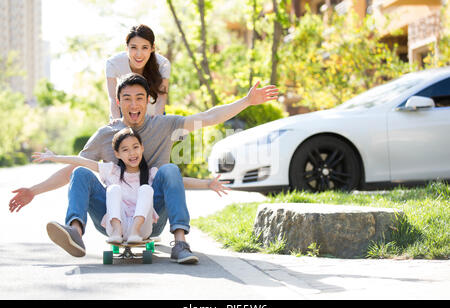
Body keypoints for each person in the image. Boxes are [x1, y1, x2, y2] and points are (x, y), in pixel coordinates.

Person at [9, 73, 279, 264]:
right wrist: (34, 191)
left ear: (148, 101)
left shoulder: (164, 125)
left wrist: (245, 101)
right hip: (112, 216)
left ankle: (180, 242)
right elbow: (72, 169)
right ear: (118, 103)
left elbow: (207, 117)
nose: (134, 104)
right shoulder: (105, 134)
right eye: (127, 98)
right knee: (81, 172)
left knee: (169, 170)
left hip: (151, 214)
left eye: (140, 97)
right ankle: (75, 235)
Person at [32, 128, 229, 248]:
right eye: (125, 150)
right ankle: (75, 231)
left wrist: (207, 184)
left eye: (135, 147)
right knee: (96, 181)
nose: (132, 153)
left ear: (142, 148)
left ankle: (139, 232)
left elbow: (177, 182)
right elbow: (81, 161)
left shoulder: (151, 174)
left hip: (142, 228)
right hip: (113, 226)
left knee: (146, 190)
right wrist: (54, 157)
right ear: (117, 154)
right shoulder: (112, 171)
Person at [106, 24, 170, 119]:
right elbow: (113, 99)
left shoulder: (163, 64)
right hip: (124, 116)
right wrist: (118, 124)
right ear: (126, 47)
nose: (139, 54)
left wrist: (157, 124)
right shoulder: (113, 63)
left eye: (144, 47)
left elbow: (161, 98)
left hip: (153, 115)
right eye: (134, 47)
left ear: (152, 48)